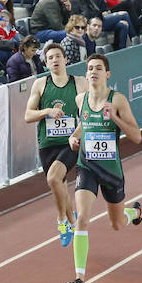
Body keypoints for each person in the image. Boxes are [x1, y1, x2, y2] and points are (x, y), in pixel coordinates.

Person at [65, 53, 142, 283]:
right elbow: (84, 123)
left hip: (111, 171)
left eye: (99, 68)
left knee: (117, 223)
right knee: (82, 219)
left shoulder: (117, 100)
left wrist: (115, 117)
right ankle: (79, 279)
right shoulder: (81, 99)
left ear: (107, 74)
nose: (94, 72)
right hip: (87, 166)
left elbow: (137, 136)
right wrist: (74, 136)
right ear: (86, 74)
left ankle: (135, 211)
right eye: (90, 68)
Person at [24, 42, 87, 246]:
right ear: (46, 63)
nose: (55, 60)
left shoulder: (79, 83)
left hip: (70, 142)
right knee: (58, 184)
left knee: (53, 179)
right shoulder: (40, 84)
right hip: (47, 144)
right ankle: (71, 219)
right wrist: (47, 111)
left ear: (65, 59)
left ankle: (61, 222)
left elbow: (89, 113)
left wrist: (77, 134)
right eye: (50, 58)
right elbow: (28, 115)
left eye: (58, 56)